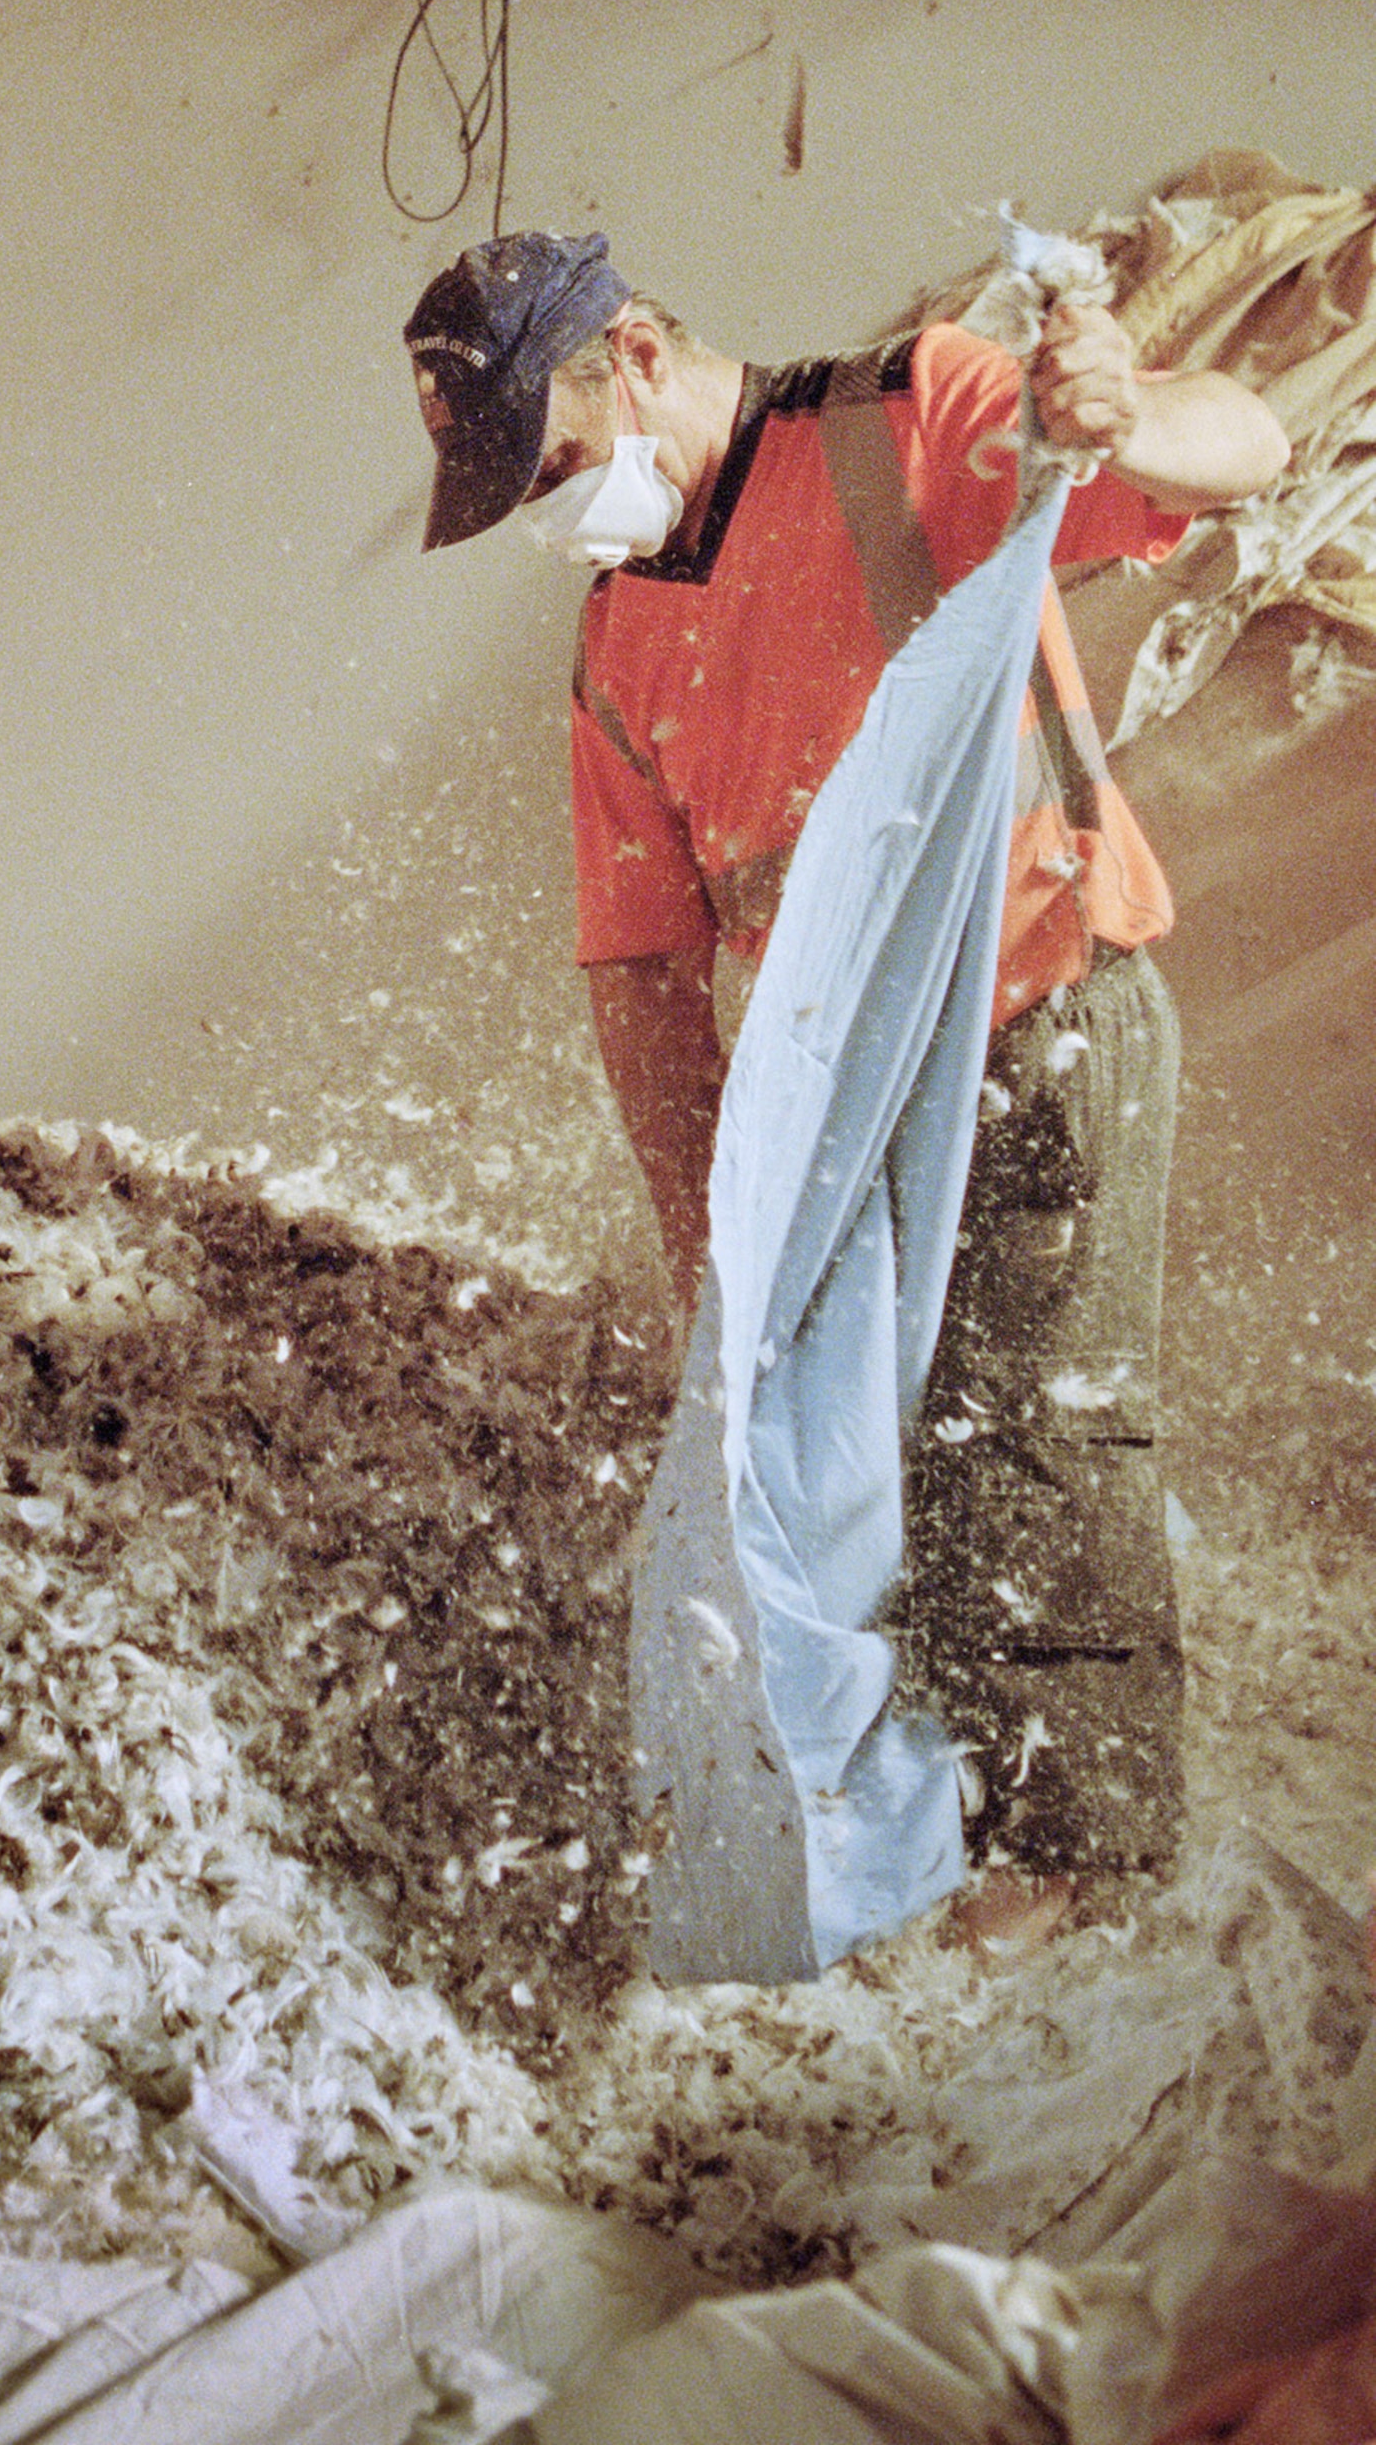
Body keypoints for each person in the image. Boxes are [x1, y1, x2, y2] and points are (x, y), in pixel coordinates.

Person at [404, 229, 1288, 1930]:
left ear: (638, 352)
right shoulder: (617, 647)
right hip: (851, 1114)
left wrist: (1127, 413)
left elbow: (1240, 442)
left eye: (565, 459)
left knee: (1037, 1424)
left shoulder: (913, 422)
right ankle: (953, 1813)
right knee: (892, 1455)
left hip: (1042, 1020)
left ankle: (1081, 1853)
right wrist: (704, 1254)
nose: (563, 510)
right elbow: (643, 982)